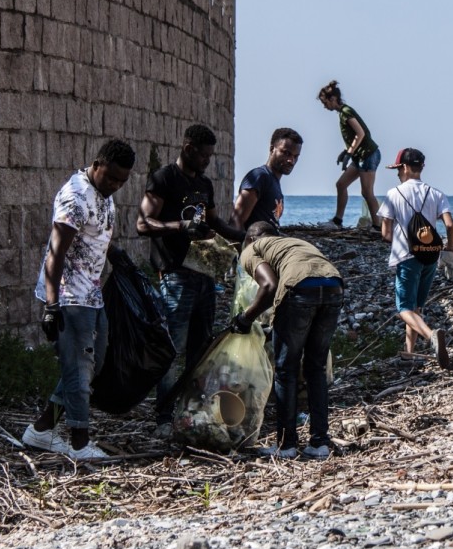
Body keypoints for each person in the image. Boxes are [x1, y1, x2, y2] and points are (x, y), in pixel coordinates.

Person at [22, 139, 136, 460]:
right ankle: (79, 443)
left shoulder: (103, 195)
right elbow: (55, 255)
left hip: (92, 295)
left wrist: (118, 256)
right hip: (70, 297)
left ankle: (41, 430)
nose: (115, 185)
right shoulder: (75, 198)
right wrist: (51, 304)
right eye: (111, 177)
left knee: (92, 365)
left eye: (122, 181)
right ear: (96, 165)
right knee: (78, 368)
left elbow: (96, 237)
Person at [137, 124, 238, 437]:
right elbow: (143, 223)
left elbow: (215, 221)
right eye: (204, 155)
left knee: (201, 349)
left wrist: (247, 237)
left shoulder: (204, 184)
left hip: (204, 275)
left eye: (211, 155)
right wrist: (180, 227)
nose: (208, 161)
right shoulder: (164, 179)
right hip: (175, 276)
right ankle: (164, 417)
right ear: (188, 148)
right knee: (171, 350)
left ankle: (192, 412)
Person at [230, 221, 343, 460]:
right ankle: (320, 443)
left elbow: (269, 286)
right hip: (333, 287)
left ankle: (286, 445)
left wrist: (245, 318)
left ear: (251, 238)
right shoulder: (295, 243)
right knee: (316, 369)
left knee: (285, 369)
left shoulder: (253, 247)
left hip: (300, 290)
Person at [376, 147, 453, 369]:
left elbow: (385, 234)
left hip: (407, 256)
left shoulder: (394, 194)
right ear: (421, 167)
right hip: (430, 257)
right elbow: (450, 224)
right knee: (416, 308)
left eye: (397, 170)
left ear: (403, 167)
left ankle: (431, 336)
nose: (397, 174)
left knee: (404, 308)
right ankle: (409, 354)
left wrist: (397, 239)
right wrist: (450, 250)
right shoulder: (436, 193)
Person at [318, 81, 381, 231]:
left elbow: (361, 133)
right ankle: (337, 221)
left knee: (367, 192)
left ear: (333, 99)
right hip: (359, 156)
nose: (324, 106)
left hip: (368, 155)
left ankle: (377, 227)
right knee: (341, 185)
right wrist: (345, 151)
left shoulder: (346, 111)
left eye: (325, 102)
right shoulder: (342, 113)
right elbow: (355, 137)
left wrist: (349, 152)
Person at [230, 128, 303, 237]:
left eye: (295, 156)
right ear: (272, 149)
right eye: (286, 153)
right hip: (256, 250)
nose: (291, 161)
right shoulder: (259, 177)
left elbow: (272, 226)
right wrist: (247, 251)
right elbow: (236, 222)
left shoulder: (274, 183)